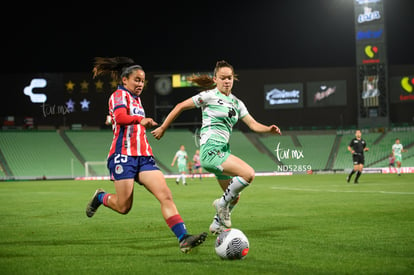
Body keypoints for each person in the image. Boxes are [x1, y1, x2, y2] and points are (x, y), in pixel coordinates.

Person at [85, 57, 207, 253]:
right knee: (124, 207)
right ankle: (100, 197)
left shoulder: (137, 99)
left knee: (166, 195)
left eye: (142, 81)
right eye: (137, 80)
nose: (140, 84)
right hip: (123, 155)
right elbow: (119, 117)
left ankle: (183, 238)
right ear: (125, 80)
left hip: (144, 157)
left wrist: (143, 123)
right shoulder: (118, 96)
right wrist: (140, 120)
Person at [151, 60, 282, 234]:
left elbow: (252, 124)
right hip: (211, 151)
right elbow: (180, 106)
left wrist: (268, 129)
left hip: (223, 151)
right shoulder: (208, 96)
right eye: (223, 78)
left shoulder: (237, 103)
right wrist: (163, 127)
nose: (227, 81)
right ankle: (221, 204)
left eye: (229, 78)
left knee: (234, 197)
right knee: (248, 174)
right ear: (216, 79)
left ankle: (216, 224)